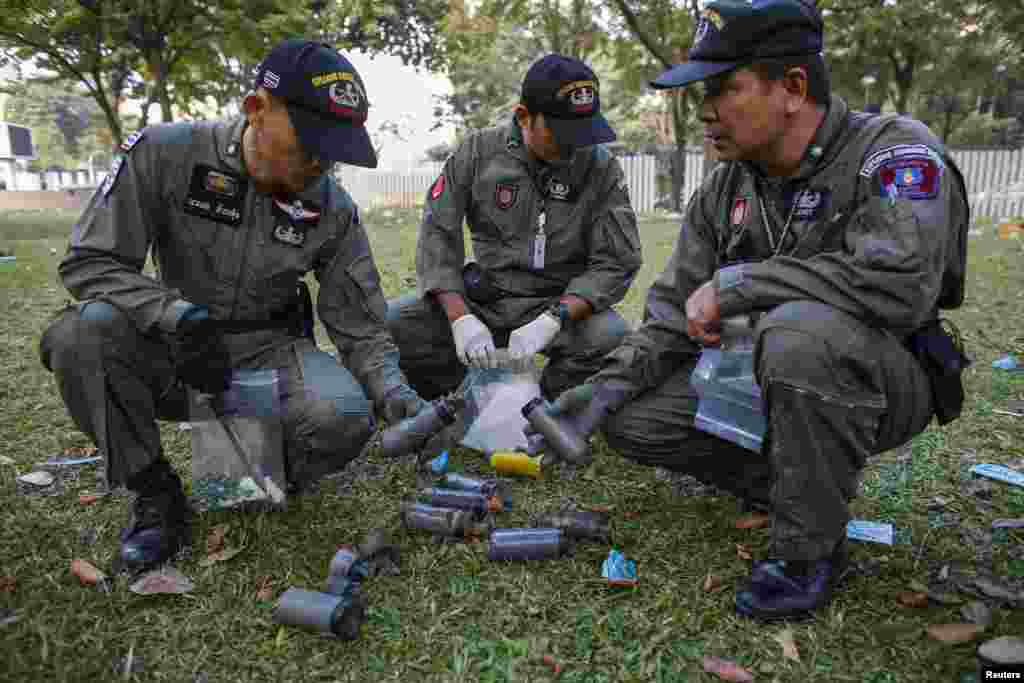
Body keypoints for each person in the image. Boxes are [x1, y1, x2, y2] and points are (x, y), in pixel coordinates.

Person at [526, 0, 970, 621]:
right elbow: (669, 316)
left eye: (723, 88)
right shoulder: (726, 187)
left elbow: (900, 286)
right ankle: (798, 486)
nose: (704, 110)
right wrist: (602, 390)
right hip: (759, 377)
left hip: (883, 376)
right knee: (632, 417)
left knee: (796, 334)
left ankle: (808, 551)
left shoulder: (892, 153)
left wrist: (743, 285)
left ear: (792, 88)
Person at [39, 39, 427, 574]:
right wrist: (173, 315)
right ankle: (155, 492)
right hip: (172, 349)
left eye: (331, 151)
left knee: (341, 416)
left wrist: (396, 394)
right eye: (308, 143)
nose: (318, 164)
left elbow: (359, 325)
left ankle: (259, 464)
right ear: (256, 109)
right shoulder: (165, 152)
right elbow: (89, 263)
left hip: (267, 354)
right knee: (81, 335)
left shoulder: (331, 206)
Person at [386, 53, 642, 402]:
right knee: (399, 321)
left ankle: (548, 398)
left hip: (558, 301)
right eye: (561, 133)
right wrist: (461, 318)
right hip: (486, 298)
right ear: (524, 117)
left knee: (610, 336)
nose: (573, 147)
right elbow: (438, 235)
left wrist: (555, 318)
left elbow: (615, 261)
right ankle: (467, 390)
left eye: (583, 132)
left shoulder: (600, 167)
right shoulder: (478, 152)